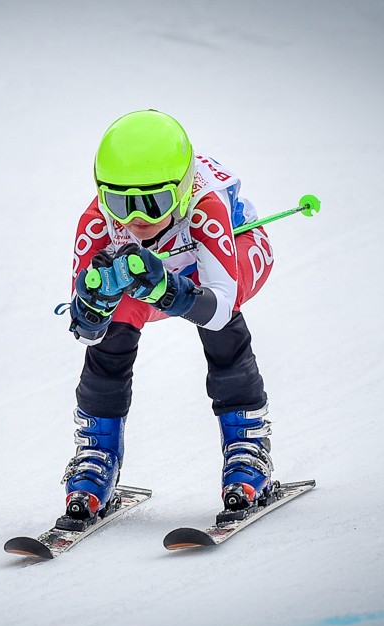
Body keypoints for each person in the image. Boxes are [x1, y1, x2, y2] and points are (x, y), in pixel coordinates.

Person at [62, 109, 276, 524]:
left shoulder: (205, 205)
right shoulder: (97, 223)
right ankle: (97, 454)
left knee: (221, 327)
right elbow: (86, 333)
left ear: (180, 190)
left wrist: (168, 290)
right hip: (155, 274)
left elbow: (219, 309)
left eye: (153, 202)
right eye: (119, 203)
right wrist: (94, 306)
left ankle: (246, 445)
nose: (135, 219)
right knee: (114, 324)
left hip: (232, 253)